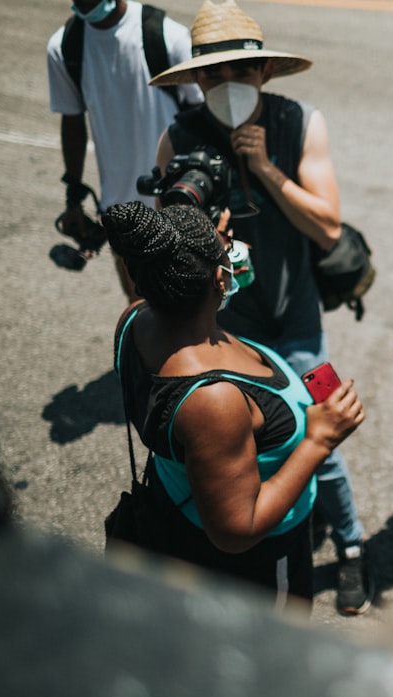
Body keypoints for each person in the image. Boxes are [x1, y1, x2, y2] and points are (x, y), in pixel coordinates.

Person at [150, 0, 373, 615]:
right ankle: (273, 532)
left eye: (240, 73)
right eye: (213, 75)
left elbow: (327, 228)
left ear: (264, 72)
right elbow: (173, 248)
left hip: (298, 318)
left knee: (322, 424)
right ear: (196, 80)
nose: (227, 85)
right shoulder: (181, 138)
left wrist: (265, 168)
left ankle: (352, 547)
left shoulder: (299, 121)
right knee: (253, 444)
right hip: (230, 327)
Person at [105, 200, 364, 607]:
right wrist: (319, 439)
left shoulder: (134, 321)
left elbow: (183, 306)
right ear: (219, 282)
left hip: (174, 507)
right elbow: (236, 530)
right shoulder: (214, 402)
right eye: (227, 255)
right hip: (257, 565)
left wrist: (209, 260)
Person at [46, 0, 202, 298]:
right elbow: (72, 121)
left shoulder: (168, 36)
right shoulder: (65, 47)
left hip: (179, 209)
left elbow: (202, 115)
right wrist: (74, 195)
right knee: (142, 313)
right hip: (122, 217)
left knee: (189, 316)